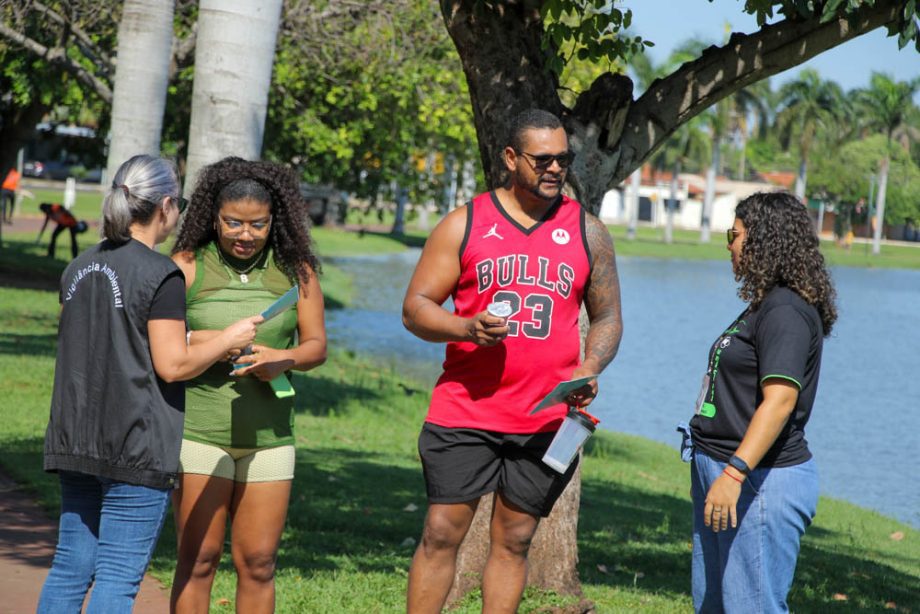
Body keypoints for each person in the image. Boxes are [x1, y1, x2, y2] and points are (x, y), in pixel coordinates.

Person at [402, 109, 623, 612]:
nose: (555, 168)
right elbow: (415, 308)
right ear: (509, 158)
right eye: (542, 159)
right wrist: (465, 328)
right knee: (441, 532)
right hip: (465, 411)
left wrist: (591, 365)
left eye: (563, 159)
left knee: (515, 540)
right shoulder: (465, 223)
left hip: (544, 419)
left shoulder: (588, 231)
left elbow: (608, 316)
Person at [37, 155, 262, 613]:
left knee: (70, 567)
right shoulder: (162, 274)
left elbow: (102, 340)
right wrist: (228, 340)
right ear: (165, 206)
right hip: (134, 445)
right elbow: (173, 366)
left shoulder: (78, 267)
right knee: (117, 578)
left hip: (75, 439)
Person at [169, 157, 327, 613]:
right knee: (198, 559)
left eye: (257, 224)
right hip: (200, 433)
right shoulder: (186, 267)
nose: (245, 234)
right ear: (213, 218)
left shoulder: (296, 271)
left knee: (258, 563)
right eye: (233, 223)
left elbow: (317, 346)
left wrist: (283, 359)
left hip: (269, 438)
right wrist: (212, 342)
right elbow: (162, 343)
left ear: (274, 220)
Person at [686, 191, 837, 613]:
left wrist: (734, 473)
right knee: (714, 605)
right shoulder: (765, 305)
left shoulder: (785, 311)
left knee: (750, 606)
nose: (729, 246)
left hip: (759, 481)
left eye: (733, 235)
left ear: (763, 240)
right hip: (725, 471)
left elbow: (781, 401)